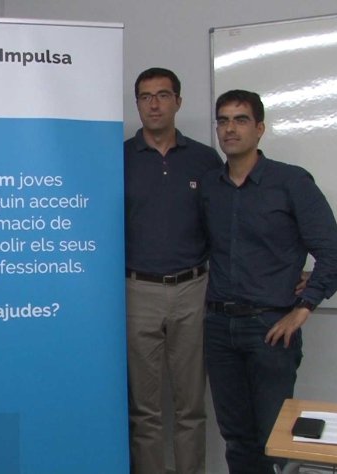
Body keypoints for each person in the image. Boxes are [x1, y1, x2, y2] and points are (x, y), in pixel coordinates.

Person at [201, 90, 337, 473]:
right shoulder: (210, 187)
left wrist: (302, 309)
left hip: (270, 328)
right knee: (236, 438)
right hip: (218, 327)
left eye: (240, 120)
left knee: (275, 437)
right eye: (223, 120)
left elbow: (334, 256)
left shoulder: (291, 182)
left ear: (260, 128)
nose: (230, 128)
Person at [124, 67, 222, 474]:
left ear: (178, 102)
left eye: (163, 95)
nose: (154, 105)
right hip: (137, 291)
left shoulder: (204, 159)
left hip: (191, 290)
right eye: (145, 97)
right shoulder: (118, 157)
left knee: (190, 406)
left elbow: (223, 224)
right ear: (137, 104)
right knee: (143, 409)